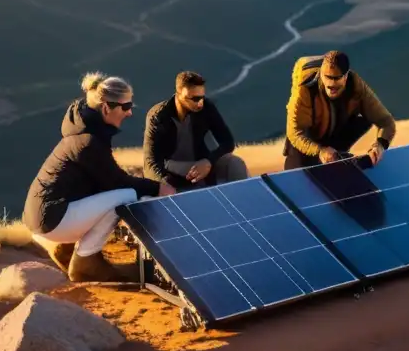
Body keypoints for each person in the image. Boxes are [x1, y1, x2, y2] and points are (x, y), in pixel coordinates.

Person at [22, 72, 176, 282]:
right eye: (126, 106)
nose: (130, 112)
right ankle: (86, 262)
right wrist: (158, 188)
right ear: (106, 108)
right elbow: (118, 182)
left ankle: (66, 251)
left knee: (115, 193)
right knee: (126, 196)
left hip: (42, 220)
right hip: (52, 222)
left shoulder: (84, 133)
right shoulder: (89, 142)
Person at [283, 50, 397, 169]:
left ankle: (336, 154)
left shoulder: (356, 86)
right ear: (321, 73)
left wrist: (379, 145)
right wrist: (319, 151)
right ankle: (325, 156)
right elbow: (295, 133)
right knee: (296, 171)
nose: (331, 84)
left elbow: (386, 121)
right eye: (328, 77)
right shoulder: (305, 89)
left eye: (336, 78)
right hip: (307, 137)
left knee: (364, 118)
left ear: (346, 76)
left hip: (333, 130)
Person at [142, 71, 248, 191]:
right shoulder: (158, 116)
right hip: (171, 169)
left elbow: (227, 142)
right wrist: (164, 186)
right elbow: (151, 162)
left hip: (199, 163)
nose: (200, 103)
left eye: (202, 97)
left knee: (235, 164)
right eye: (195, 99)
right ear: (178, 94)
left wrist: (208, 161)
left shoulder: (206, 108)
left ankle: (241, 203)